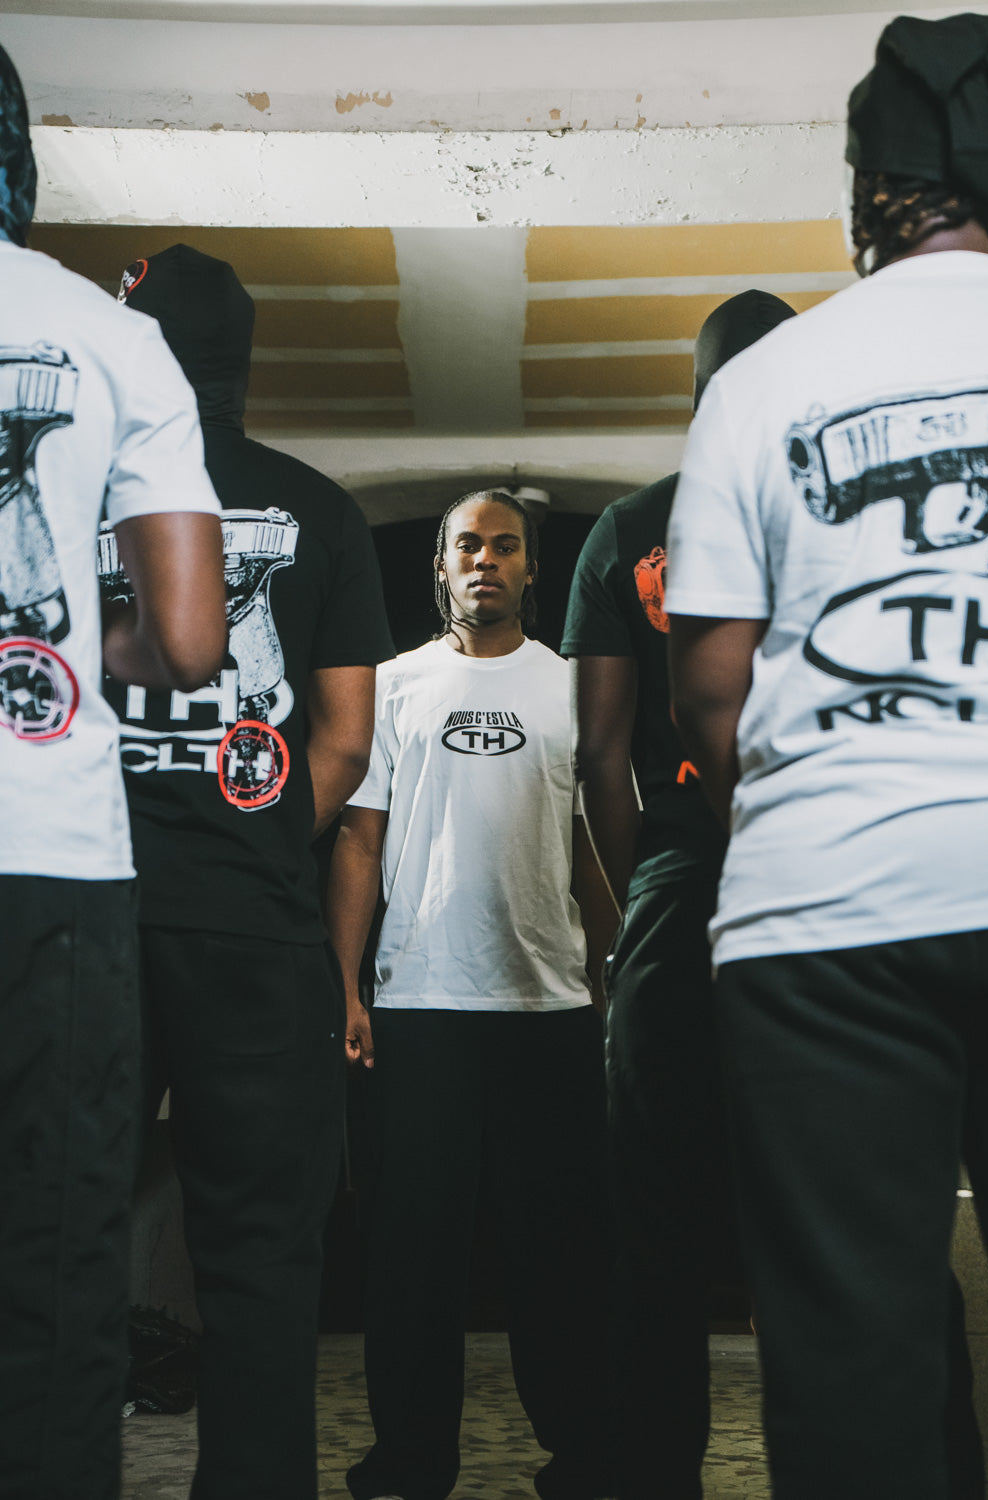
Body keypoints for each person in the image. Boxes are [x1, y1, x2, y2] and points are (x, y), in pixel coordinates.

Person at [665, 14, 988, 1499]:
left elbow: (710, 691)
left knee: (851, 1364)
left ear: (867, 191)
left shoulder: (762, 380)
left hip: (827, 915)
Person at [106, 244, 394, 1500]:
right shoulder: (320, 507)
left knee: (51, 1238)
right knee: (263, 1260)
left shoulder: (78, 491)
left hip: (92, 921)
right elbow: (344, 740)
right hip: (258, 934)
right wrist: (265, 837)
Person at [0, 50, 227, 1500]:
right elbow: (193, 640)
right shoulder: (111, 336)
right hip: (52, 856)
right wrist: (74, 648)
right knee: (57, 1250)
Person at [327, 490, 617, 1500]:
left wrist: (611, 980)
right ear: (441, 566)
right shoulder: (394, 684)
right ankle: (410, 1461)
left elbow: (593, 846)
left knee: (560, 1252)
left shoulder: (572, 686)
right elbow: (357, 841)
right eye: (467, 546)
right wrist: (347, 986)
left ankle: (583, 1456)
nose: (484, 560)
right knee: (412, 1257)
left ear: (531, 568)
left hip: (551, 1006)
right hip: (419, 1006)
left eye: (504, 546)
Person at [561, 289, 795, 1500]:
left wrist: (641, 892)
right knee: (831, 1192)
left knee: (650, 1206)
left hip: (680, 868)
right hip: (811, 855)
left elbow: (601, 753)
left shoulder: (632, 525)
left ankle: (653, 1476)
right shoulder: (839, 501)